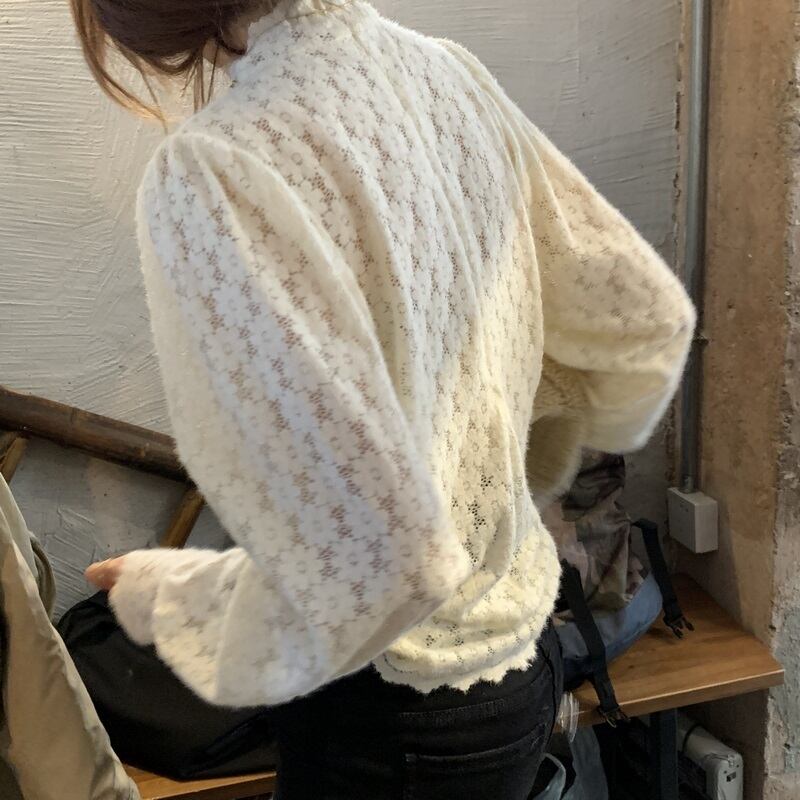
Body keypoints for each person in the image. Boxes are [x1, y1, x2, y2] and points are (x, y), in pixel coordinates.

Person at [75, 1, 695, 797]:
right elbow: (642, 323)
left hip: (395, 712)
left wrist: (169, 596)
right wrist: (499, 491)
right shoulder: (449, 74)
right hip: (522, 655)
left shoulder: (216, 168)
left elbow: (386, 564)